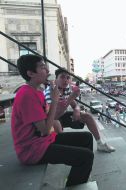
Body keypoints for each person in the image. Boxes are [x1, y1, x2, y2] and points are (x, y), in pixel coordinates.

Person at [11, 55, 94, 187]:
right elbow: (44, 130)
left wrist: (66, 100)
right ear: (30, 73)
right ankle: (76, 181)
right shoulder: (27, 94)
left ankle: (80, 175)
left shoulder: (37, 91)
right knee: (86, 157)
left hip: (43, 140)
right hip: (32, 149)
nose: (48, 71)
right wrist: (55, 100)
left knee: (87, 137)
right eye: (43, 67)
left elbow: (52, 118)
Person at [44, 68, 115, 153]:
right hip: (50, 119)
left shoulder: (66, 89)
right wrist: (71, 98)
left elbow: (75, 105)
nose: (66, 80)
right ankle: (65, 151)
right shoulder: (49, 92)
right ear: (55, 79)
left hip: (62, 115)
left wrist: (77, 110)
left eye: (67, 77)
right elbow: (53, 116)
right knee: (57, 123)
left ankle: (100, 143)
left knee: (87, 116)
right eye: (62, 77)